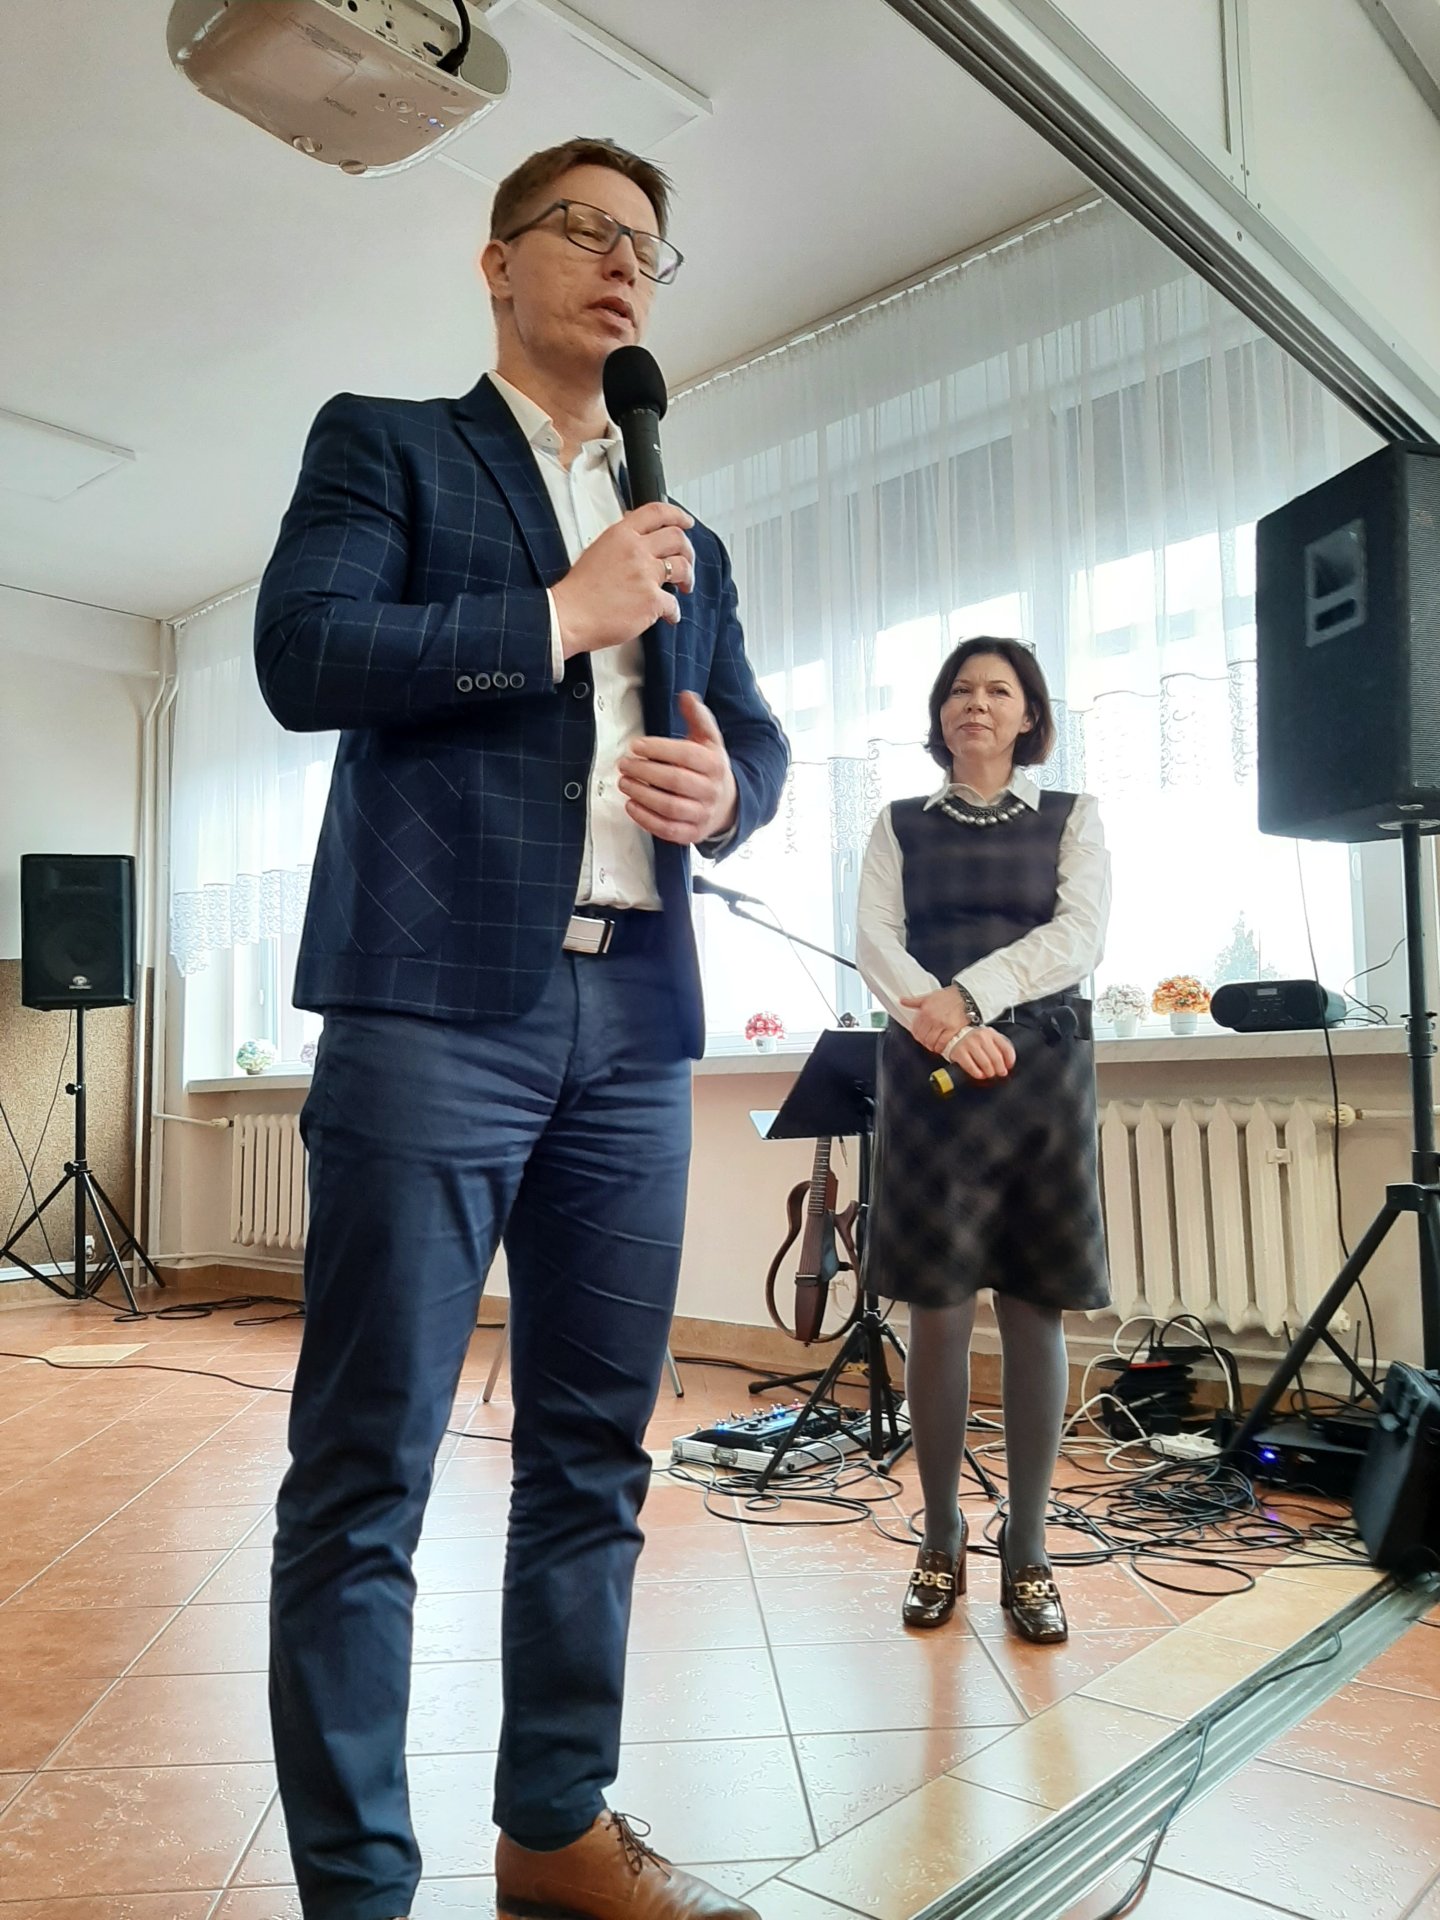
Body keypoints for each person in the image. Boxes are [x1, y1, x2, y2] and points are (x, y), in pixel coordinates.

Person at [255, 137, 788, 1920]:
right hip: (431, 1009)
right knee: (367, 1465)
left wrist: (729, 787)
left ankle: (554, 1827)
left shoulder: (683, 533)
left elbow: (754, 739)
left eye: (648, 243)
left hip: (633, 1019)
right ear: (497, 263)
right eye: (585, 229)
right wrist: (563, 615)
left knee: (593, 1453)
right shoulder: (388, 444)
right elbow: (306, 655)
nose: (623, 261)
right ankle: (358, 1891)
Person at [855, 637, 1110, 1642]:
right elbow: (876, 941)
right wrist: (947, 1027)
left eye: (999, 690)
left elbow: (1078, 937)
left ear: (1028, 715)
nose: (978, 703)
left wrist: (971, 998)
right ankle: (940, 1535)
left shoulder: (1074, 816)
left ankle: (1030, 1547)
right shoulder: (896, 823)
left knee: (1035, 1305)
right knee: (940, 1310)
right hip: (931, 1077)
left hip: (1041, 1070)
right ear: (940, 712)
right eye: (960, 689)